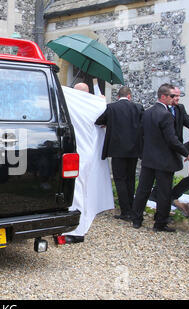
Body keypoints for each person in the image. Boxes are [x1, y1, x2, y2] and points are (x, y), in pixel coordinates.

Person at [130, 84, 189, 232]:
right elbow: (171, 139)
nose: (174, 99)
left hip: (149, 159)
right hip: (165, 160)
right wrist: (185, 152)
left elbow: (140, 136)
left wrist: (143, 153)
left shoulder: (147, 112)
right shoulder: (166, 115)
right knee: (164, 193)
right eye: (171, 96)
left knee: (143, 190)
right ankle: (160, 223)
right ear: (163, 96)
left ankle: (136, 220)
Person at [59, 85, 115, 243]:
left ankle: (77, 231)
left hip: (78, 152)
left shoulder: (69, 99)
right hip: (85, 152)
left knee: (77, 191)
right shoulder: (96, 105)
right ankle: (73, 226)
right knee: (80, 190)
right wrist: (100, 100)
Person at [95, 87, 144, 221]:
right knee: (130, 178)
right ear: (129, 96)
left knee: (120, 179)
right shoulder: (138, 108)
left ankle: (125, 211)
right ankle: (133, 208)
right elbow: (143, 125)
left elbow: (99, 121)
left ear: (118, 96)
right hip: (133, 150)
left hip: (117, 150)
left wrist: (108, 123)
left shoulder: (111, 108)